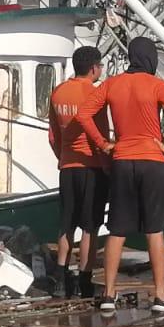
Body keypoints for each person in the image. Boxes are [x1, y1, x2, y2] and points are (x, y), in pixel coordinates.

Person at [82, 37, 164, 313]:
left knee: (116, 230)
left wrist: (103, 144)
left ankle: (108, 294)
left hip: (121, 161)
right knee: (154, 230)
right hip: (152, 161)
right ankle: (160, 295)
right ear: (151, 58)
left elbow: (83, 115)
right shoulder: (156, 85)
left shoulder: (112, 84)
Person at [48, 46, 109, 299]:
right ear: (94, 68)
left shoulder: (58, 92)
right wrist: (107, 166)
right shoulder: (94, 94)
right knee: (90, 226)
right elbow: (101, 135)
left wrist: (63, 158)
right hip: (91, 166)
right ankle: (84, 280)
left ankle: (60, 280)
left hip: (67, 166)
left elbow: (53, 136)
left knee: (67, 223)